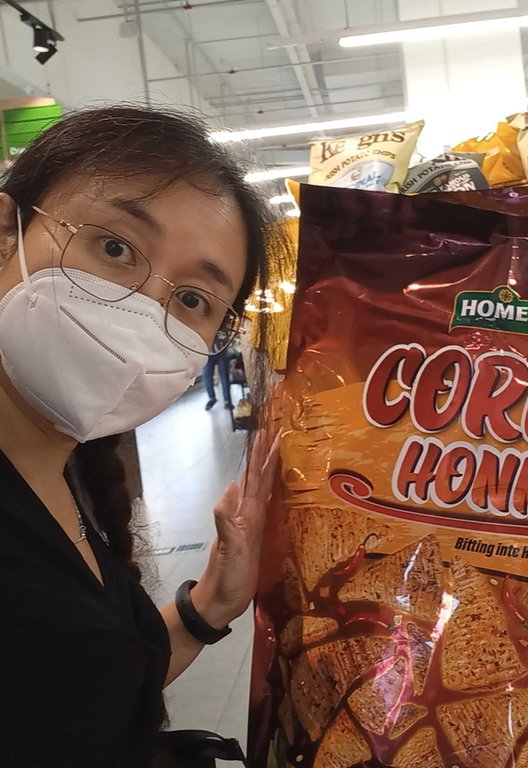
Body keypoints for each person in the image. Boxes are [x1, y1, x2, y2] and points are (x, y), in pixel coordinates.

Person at [0, 106, 279, 767]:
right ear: (7, 234)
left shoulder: (66, 475)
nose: (142, 314)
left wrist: (212, 604)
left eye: (192, 300)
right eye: (115, 248)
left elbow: (85, 689)